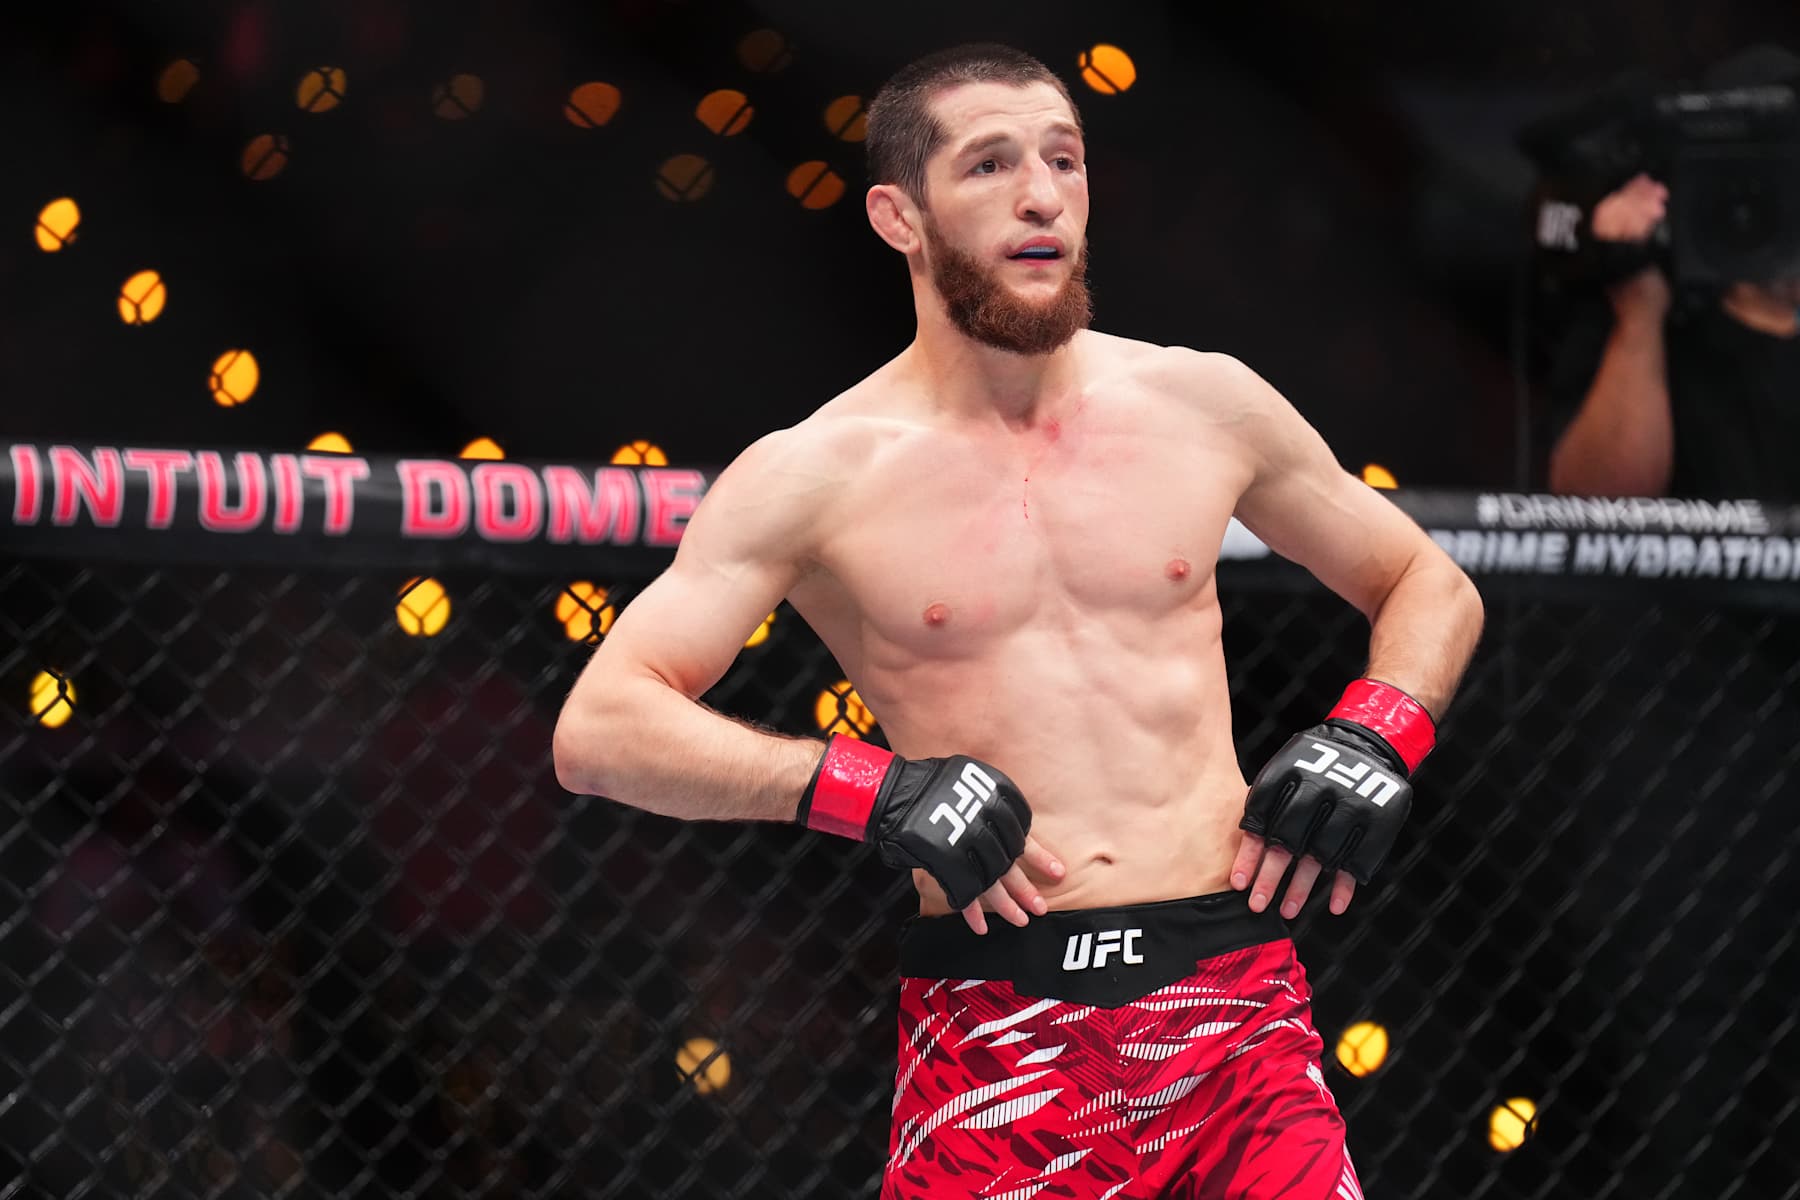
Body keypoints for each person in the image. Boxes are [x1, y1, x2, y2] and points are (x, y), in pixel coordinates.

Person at [553, 43, 1483, 1198]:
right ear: (899, 216)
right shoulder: (816, 474)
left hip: (1239, 1015)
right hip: (1001, 1038)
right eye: (990, 164)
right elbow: (600, 730)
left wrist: (1375, 732)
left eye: (1064, 160)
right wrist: (871, 791)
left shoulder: (1204, 403)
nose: (1042, 194)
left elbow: (1429, 583)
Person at [1547, 47, 1800, 500]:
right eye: (1741, 173)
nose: (1755, 205)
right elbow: (1595, 513)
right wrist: (1639, 313)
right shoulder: (1640, 303)